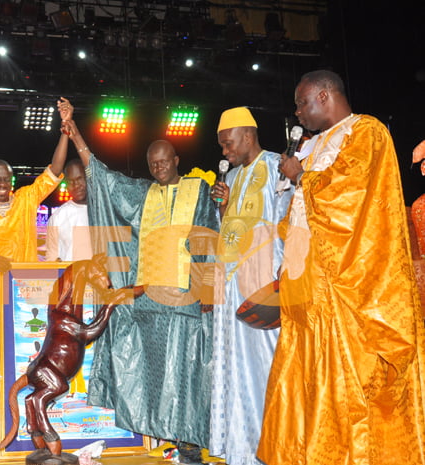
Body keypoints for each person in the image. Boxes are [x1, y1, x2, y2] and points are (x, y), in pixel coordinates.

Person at [258, 70, 425, 465]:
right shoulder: (313, 147)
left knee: (349, 372)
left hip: (346, 281)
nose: (297, 113)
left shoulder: (366, 131)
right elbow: (299, 213)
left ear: (324, 94)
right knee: (304, 372)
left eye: (302, 103)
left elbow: (352, 194)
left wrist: (304, 178)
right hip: (305, 276)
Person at [59, 99, 219, 461]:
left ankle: (191, 445)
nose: (159, 167)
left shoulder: (198, 191)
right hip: (148, 302)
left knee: (187, 373)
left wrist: (209, 286)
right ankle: (170, 438)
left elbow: (209, 236)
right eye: (153, 163)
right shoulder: (143, 195)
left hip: (186, 300)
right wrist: (77, 132)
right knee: (156, 374)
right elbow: (102, 177)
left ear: (177, 160)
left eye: (164, 161)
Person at [207, 107, 292, 464]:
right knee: (237, 373)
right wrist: (224, 209)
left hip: (266, 291)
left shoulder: (279, 166)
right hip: (233, 292)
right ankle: (244, 451)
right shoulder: (236, 176)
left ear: (247, 135)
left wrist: (286, 280)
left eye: (227, 144)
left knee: (270, 371)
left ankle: (278, 448)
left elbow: (294, 221)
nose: (224, 153)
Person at [0, 101, 68, 272]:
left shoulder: (25, 200)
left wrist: (65, 132)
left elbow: (55, 170)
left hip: (25, 288)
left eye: (7, 179)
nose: (2, 184)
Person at [45, 158, 93, 262]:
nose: (76, 185)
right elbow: (51, 257)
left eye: (79, 179)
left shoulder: (104, 211)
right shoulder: (58, 217)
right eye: (71, 181)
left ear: (87, 178)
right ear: (66, 185)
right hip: (72, 277)